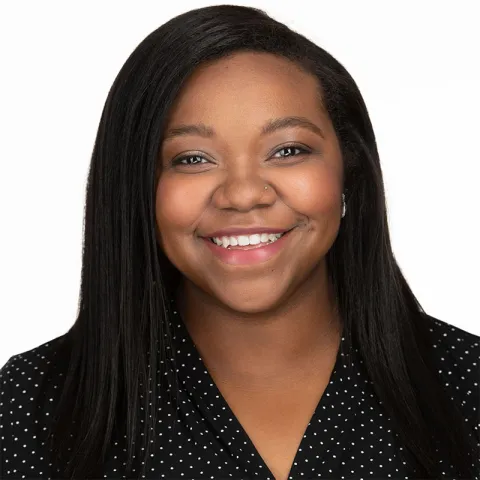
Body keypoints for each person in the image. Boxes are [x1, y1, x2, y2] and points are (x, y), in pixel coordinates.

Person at [1, 4, 478, 480]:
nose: (243, 194)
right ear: (137, 187)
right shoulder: (28, 407)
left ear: (348, 171)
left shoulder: (468, 386)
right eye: (191, 158)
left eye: (288, 150)